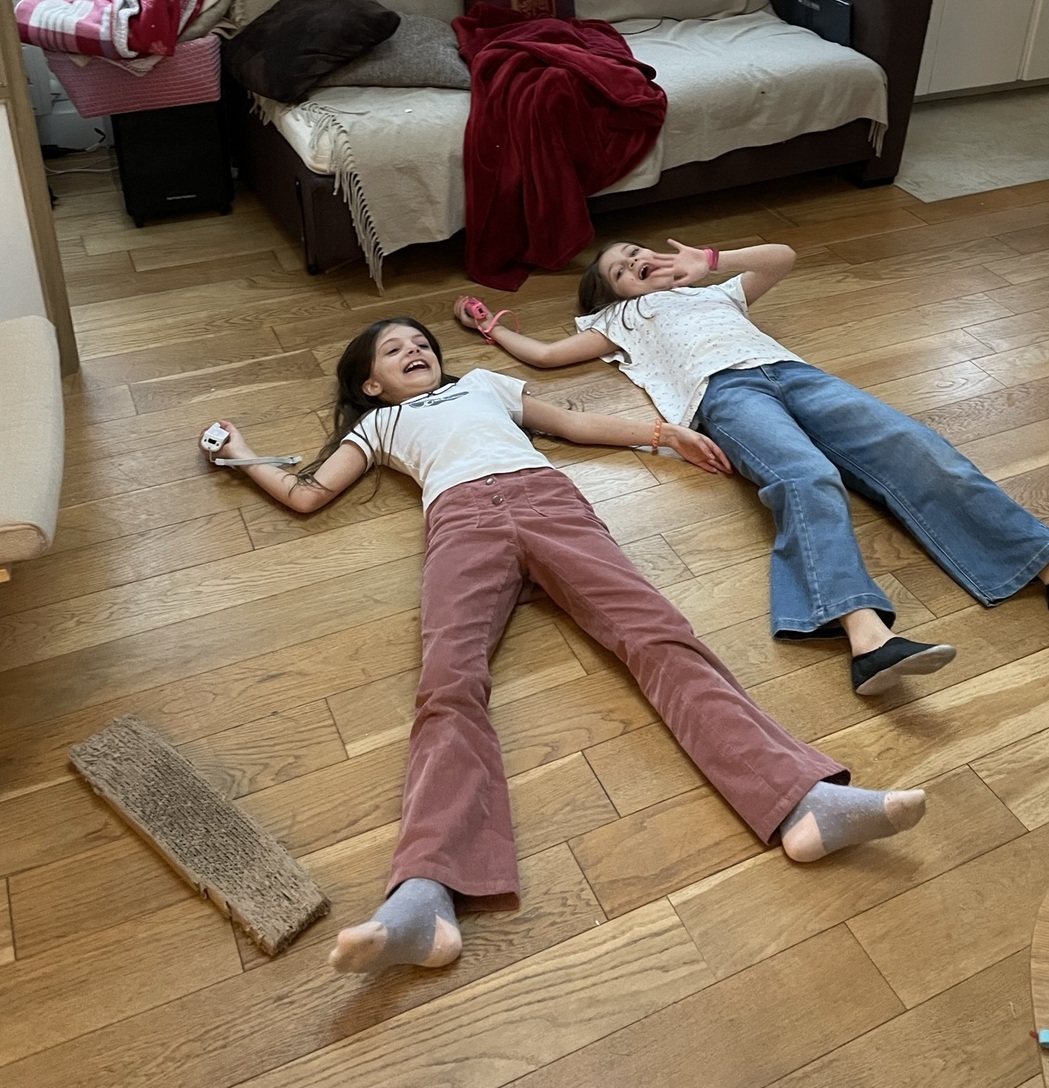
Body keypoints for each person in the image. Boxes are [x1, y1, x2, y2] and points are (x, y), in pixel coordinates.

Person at [200, 314, 928, 979]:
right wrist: (243, 455)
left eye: (421, 342)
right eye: (394, 351)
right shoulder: (378, 426)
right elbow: (306, 494)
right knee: (447, 685)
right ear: (370, 384)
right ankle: (426, 893)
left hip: (549, 503)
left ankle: (803, 802)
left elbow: (571, 424)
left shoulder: (483, 384)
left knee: (659, 636)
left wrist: (660, 433)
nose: (414, 350)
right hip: (460, 527)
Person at [455, 240, 1049, 697]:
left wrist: (711, 260)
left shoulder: (706, 289)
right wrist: (493, 329)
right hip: (723, 397)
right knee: (805, 478)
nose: (636, 260)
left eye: (638, 251)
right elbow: (545, 356)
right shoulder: (616, 323)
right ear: (608, 296)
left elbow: (782, 258)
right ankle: (865, 636)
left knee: (916, 446)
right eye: (620, 268)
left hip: (797, 375)